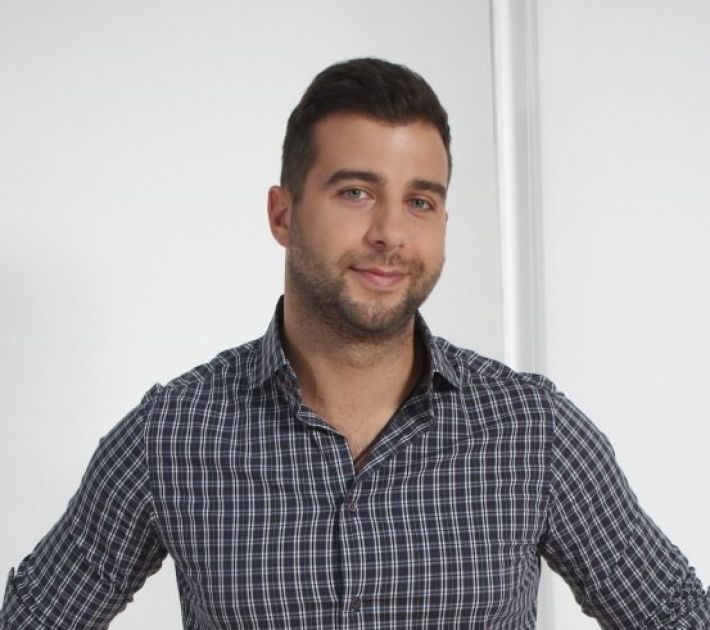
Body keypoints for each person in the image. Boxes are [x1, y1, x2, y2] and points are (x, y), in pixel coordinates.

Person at [1, 58, 708, 630]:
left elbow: (675, 615)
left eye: (420, 201)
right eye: (355, 193)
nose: (391, 234)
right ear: (283, 213)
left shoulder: (533, 430)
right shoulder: (172, 434)